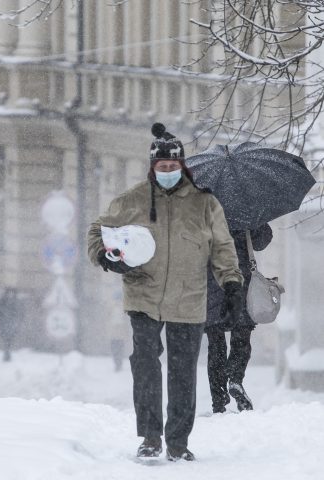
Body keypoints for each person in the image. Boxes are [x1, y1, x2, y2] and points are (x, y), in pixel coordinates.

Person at [87, 123, 244, 462]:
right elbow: (98, 232)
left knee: (183, 371)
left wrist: (231, 284)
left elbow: (222, 246)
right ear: (153, 167)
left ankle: (177, 442)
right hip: (143, 294)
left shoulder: (205, 204)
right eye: (162, 167)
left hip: (189, 300)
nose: (168, 172)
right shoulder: (133, 200)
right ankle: (149, 437)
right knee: (145, 364)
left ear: (182, 166)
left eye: (174, 167)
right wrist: (106, 257)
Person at [205, 224, 273, 413]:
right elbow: (261, 242)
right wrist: (256, 224)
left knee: (215, 343)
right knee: (241, 338)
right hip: (240, 282)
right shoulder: (246, 209)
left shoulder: (205, 205)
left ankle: (218, 401)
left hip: (212, 282)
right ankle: (235, 379)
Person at [0, 287, 23, 362]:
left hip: (12, 323)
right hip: (4, 323)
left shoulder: (16, 302)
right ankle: (7, 353)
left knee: (9, 339)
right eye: (9, 293)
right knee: (6, 339)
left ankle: (7, 353)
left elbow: (21, 313)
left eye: (12, 293)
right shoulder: (2, 301)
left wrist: (18, 321)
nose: (10, 294)